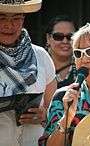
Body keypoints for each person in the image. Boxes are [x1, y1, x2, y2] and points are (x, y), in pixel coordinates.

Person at [0, 0, 57, 146]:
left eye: (16, 18)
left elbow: (57, 110)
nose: (9, 25)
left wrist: (44, 115)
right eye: (2, 18)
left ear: (23, 19)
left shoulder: (41, 55)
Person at [45, 15, 77, 88]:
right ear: (48, 38)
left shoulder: (85, 65)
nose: (65, 41)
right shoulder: (39, 66)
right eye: (58, 36)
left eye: (70, 37)